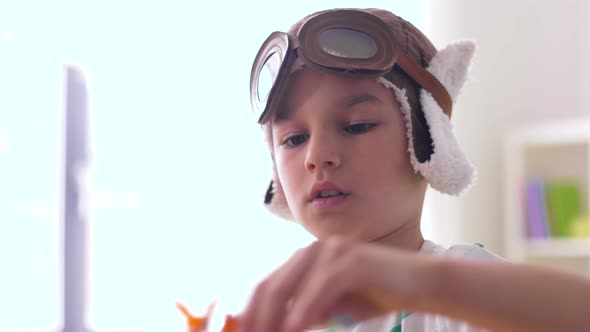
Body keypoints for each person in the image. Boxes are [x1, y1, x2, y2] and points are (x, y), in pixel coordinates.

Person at [240, 7, 505, 332]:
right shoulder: (280, 317)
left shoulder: (469, 288)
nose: (317, 156)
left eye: (357, 126)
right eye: (294, 139)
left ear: (429, 142)